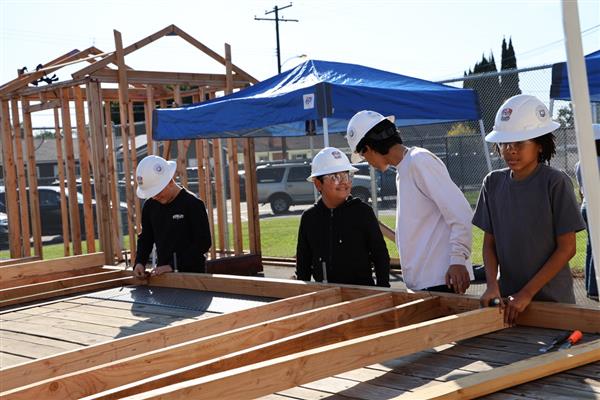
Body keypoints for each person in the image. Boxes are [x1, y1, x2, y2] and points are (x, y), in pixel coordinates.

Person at [473, 94, 586, 324]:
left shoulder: (556, 182)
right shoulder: (492, 183)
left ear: (540, 144)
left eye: (519, 143)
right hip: (508, 305)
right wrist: (492, 286)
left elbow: (567, 248)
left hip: (554, 303)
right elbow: (489, 243)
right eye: (505, 143)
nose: (510, 150)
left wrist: (527, 293)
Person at [346, 111, 473, 294]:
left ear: (368, 147)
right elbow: (417, 233)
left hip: (441, 281)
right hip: (426, 284)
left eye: (364, 156)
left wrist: (458, 260)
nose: (368, 162)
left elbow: (461, 213)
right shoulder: (404, 169)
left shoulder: (419, 161)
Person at [295, 147, 390, 287]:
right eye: (335, 177)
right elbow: (303, 262)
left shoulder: (362, 213)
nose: (344, 182)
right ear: (317, 183)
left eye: (347, 175)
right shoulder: (309, 218)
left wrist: (383, 290)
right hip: (324, 296)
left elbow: (380, 255)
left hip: (362, 295)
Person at [132, 155, 212, 278]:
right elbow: (146, 238)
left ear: (169, 181)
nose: (155, 197)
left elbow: (203, 243)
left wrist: (173, 265)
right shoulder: (150, 206)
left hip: (193, 276)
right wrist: (139, 262)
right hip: (163, 276)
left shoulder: (193, 204)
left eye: (157, 192)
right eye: (151, 194)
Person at [575, 124, 600, 301]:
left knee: (592, 247)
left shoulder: (580, 162)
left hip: (585, 205)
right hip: (596, 206)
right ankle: (595, 289)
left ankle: (589, 286)